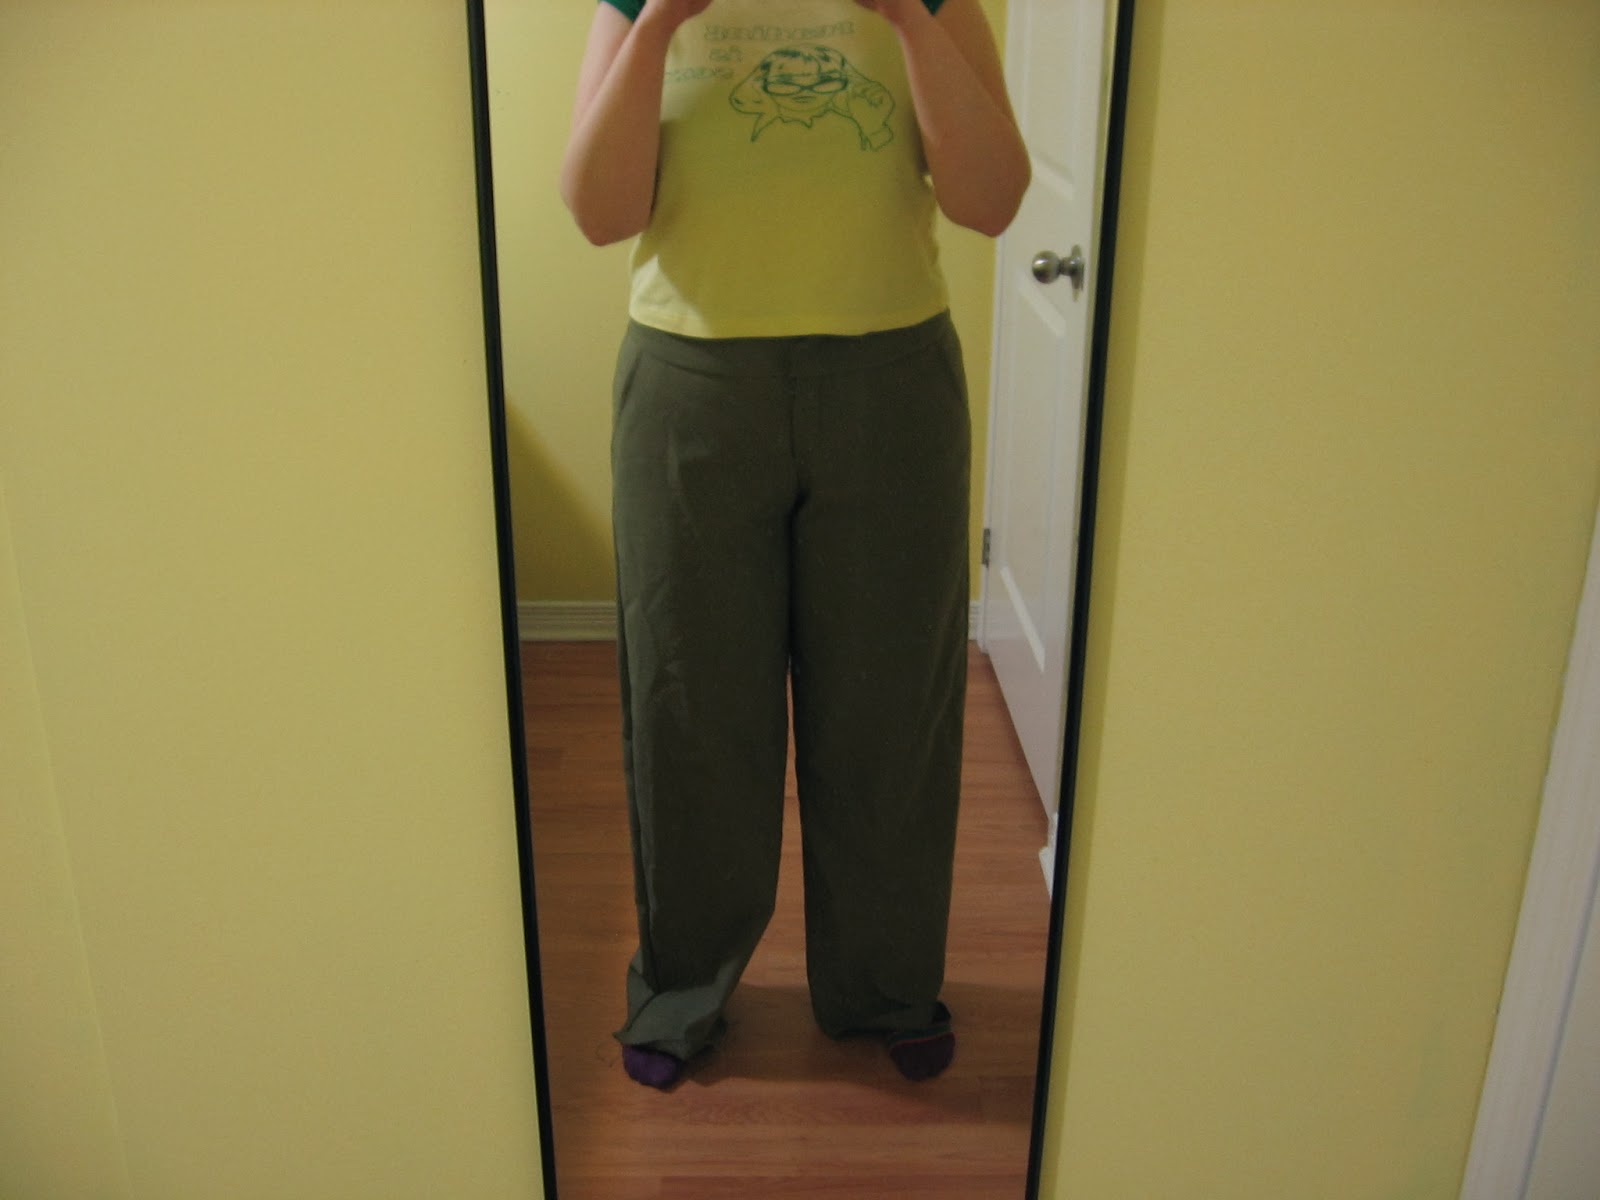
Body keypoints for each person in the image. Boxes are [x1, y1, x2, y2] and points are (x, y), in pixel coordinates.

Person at [559, 0, 1029, 1089]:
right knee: (689, 703)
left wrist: (910, 18)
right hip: (691, 390)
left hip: (889, 384)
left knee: (889, 706)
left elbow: (992, 200)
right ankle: (681, 988)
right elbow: (597, 213)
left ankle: (883, 986)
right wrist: (658, 22)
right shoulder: (635, 4)